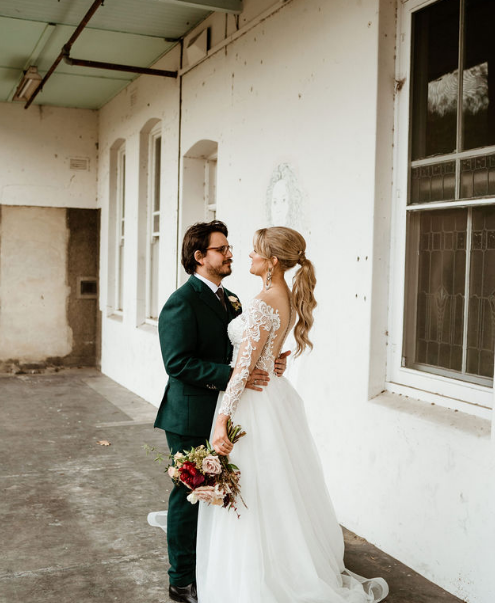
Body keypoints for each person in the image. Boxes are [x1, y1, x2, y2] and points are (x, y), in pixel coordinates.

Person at [196, 226, 389, 603]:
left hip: (253, 405)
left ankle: (254, 584)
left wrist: (222, 421)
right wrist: (275, 359)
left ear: (271, 261)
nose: (247, 256)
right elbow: (265, 353)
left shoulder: (263, 301)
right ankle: (279, 566)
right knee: (272, 492)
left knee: (252, 494)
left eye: (254, 251)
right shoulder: (281, 296)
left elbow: (242, 370)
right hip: (273, 398)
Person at [154, 220, 288, 603]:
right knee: (190, 494)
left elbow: (244, 349)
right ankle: (181, 581)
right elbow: (178, 363)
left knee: (221, 493)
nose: (230, 253)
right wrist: (236, 375)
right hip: (190, 414)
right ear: (200, 257)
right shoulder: (180, 302)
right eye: (222, 249)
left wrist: (269, 362)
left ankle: (213, 568)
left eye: (229, 248)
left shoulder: (232, 299)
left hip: (227, 411)